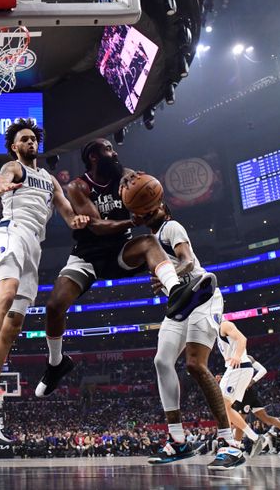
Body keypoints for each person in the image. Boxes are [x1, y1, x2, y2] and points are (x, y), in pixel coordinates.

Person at [35, 141, 216, 399]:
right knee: (54, 306)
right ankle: (56, 364)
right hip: (88, 256)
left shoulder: (126, 176)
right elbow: (96, 226)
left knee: (150, 242)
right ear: (94, 157)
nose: (115, 152)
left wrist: (148, 206)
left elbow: (146, 195)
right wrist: (132, 220)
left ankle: (177, 291)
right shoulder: (78, 187)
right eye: (108, 149)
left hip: (121, 252)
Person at [0, 118, 89, 441]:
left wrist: (80, 218)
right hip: (11, 232)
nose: (30, 143)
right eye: (24, 140)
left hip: (34, 247)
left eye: (33, 139)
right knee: (6, 292)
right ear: (15, 147)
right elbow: (0, 180)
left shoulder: (50, 180)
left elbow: (69, 215)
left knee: (14, 323)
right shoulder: (14, 168)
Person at [139, 202, 246, 470]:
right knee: (162, 361)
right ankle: (178, 440)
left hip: (201, 295)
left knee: (195, 365)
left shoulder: (171, 227)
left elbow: (186, 260)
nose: (153, 207)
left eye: (155, 203)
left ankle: (229, 443)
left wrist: (169, 275)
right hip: (178, 303)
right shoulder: (146, 243)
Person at [215, 320, 266, 458]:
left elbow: (242, 339)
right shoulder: (215, 330)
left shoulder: (224, 324)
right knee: (223, 407)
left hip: (239, 367)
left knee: (223, 406)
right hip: (232, 370)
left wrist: (237, 356)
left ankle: (235, 442)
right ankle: (254, 438)